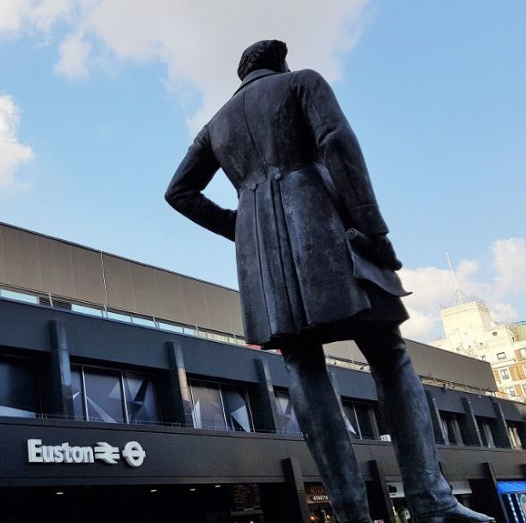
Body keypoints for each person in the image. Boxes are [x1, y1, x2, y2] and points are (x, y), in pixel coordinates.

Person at [165, 39, 494, 523]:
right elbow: (336, 142)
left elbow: (179, 192)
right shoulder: (301, 82)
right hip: (326, 229)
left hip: (264, 259)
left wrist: (242, 227)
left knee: (303, 367)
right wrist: (373, 229)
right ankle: (430, 498)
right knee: (390, 356)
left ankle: (349, 512)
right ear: (279, 62)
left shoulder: (216, 125)